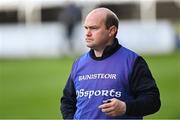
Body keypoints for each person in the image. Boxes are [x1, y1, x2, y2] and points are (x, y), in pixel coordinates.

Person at [60, 7, 161, 119]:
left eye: (94, 28)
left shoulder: (132, 61)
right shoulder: (79, 63)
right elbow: (67, 101)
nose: (87, 33)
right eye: (86, 28)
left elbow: (153, 101)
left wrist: (125, 107)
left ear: (112, 31)